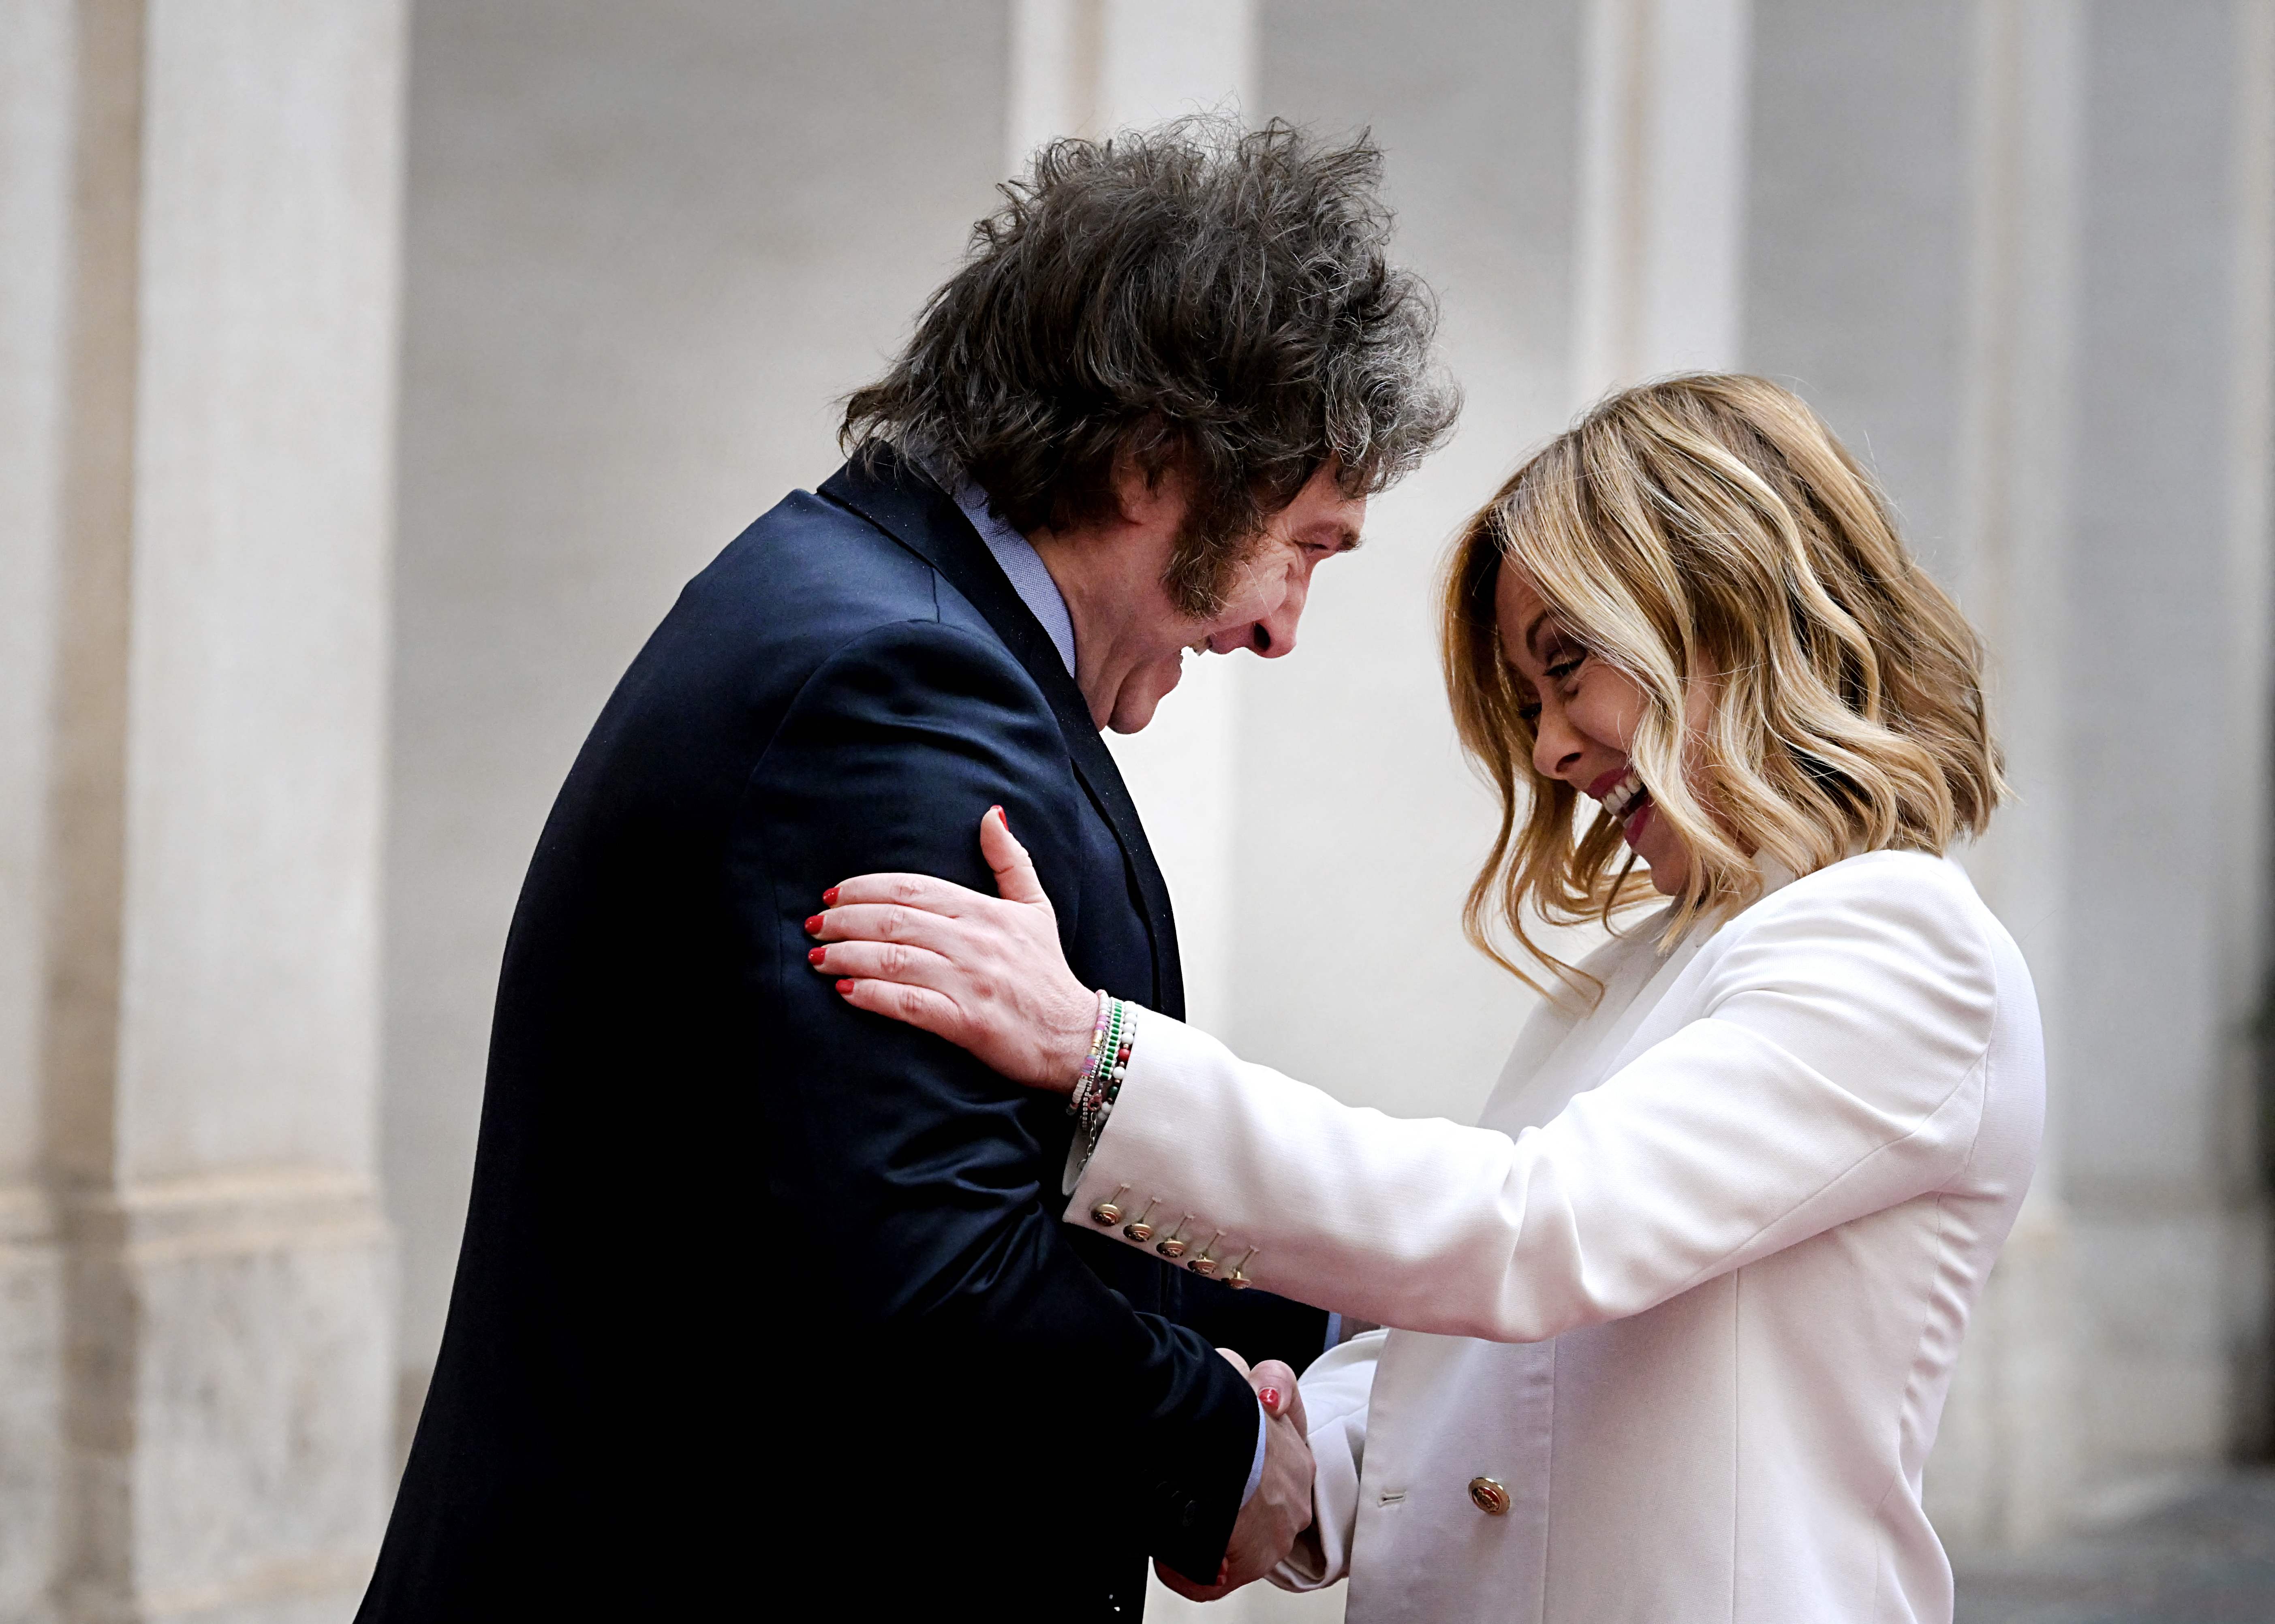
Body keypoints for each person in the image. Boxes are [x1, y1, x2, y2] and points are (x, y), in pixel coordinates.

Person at [354, 120, 1456, 1623]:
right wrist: (1225, 1456)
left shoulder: (873, 615)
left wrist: (1370, 1330)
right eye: (1304, 545)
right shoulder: (895, 689)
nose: (1280, 626)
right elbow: (930, 1265)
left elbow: (987, 1181)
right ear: (1158, 462)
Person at [808, 373, 2044, 1623]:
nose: (1554, 749)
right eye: (1531, 701)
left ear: (1726, 608)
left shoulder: (1901, 944)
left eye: (1568, 670)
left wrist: (1098, 1054)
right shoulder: (1660, 962)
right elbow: (1499, 1358)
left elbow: (1531, 1237)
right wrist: (1276, 1462)